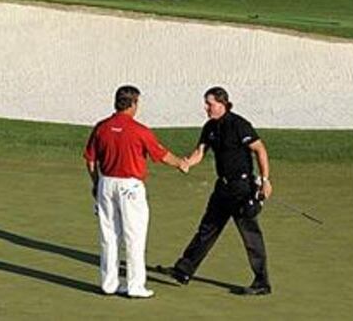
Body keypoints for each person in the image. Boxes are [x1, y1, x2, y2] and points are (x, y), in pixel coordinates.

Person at [83, 85, 189, 298]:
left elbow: (91, 161)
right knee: (134, 235)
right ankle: (135, 286)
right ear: (132, 104)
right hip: (130, 186)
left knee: (109, 235)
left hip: (106, 183)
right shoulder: (139, 130)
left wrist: (96, 183)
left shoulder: (101, 127)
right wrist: (181, 163)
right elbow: (161, 154)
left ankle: (109, 284)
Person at [165, 87, 273, 296]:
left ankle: (262, 282)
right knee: (207, 230)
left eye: (210, 104)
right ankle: (184, 270)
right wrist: (186, 163)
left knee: (251, 236)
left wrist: (265, 181)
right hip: (222, 188)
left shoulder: (239, 125)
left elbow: (260, 149)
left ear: (222, 104)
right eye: (206, 103)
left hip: (242, 188)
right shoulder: (210, 127)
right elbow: (200, 152)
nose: (206, 108)